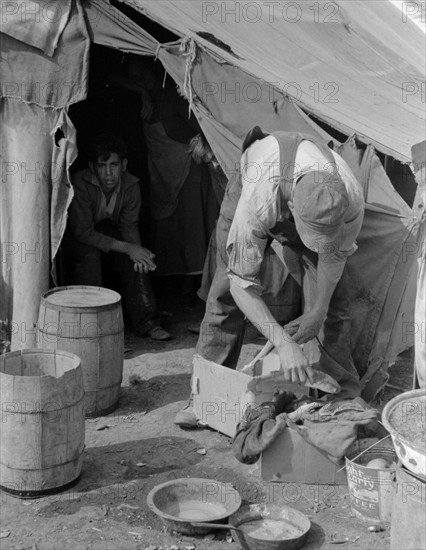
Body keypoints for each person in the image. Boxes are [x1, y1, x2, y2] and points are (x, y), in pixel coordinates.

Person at [175, 126, 365, 428]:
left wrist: (318, 311)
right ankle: (207, 398)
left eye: (324, 238)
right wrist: (285, 344)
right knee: (224, 292)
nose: (318, 245)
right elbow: (241, 282)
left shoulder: (351, 199)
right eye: (314, 237)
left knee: (335, 304)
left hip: (297, 195)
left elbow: (334, 257)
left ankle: (337, 395)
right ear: (290, 208)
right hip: (257, 182)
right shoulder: (259, 195)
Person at [64, 132, 172, 341]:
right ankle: (96, 329)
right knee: (90, 257)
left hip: (106, 231)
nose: (108, 173)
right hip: (78, 238)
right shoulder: (80, 183)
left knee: (136, 259)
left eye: (113, 165)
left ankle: (148, 321)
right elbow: (83, 232)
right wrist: (129, 248)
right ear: (92, 166)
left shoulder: (131, 186)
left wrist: (137, 252)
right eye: (102, 166)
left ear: (123, 165)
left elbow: (129, 226)